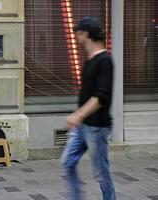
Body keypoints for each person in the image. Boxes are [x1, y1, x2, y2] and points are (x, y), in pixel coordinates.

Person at [60, 17, 116, 200]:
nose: (76, 36)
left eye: (78, 32)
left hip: (97, 127)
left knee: (101, 173)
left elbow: (100, 97)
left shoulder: (105, 61)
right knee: (67, 162)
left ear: (86, 34)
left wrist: (77, 115)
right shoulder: (89, 60)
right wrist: (79, 118)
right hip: (82, 127)